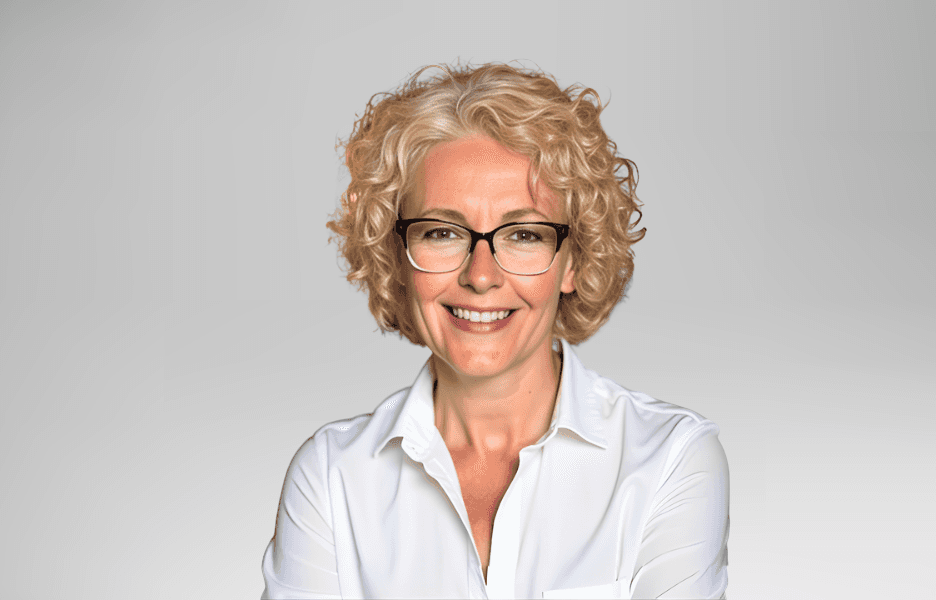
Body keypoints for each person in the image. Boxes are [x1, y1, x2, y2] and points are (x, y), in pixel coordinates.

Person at [261, 62, 729, 599]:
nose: (480, 275)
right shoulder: (331, 479)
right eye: (441, 232)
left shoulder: (669, 461)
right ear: (398, 258)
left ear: (572, 262)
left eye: (524, 234)